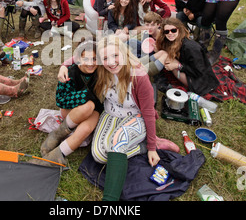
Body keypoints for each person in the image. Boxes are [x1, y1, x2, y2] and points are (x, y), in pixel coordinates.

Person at [91, 35, 179, 201]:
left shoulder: (138, 75)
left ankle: (109, 200)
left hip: (136, 117)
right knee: (99, 156)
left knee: (117, 145)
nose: (111, 62)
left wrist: (153, 148)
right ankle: (140, 146)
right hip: (111, 115)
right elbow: (80, 57)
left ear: (123, 53)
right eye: (105, 58)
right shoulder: (102, 71)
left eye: (115, 55)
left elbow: (147, 111)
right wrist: (64, 66)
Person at [33, 39, 103, 166]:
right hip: (71, 111)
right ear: (77, 59)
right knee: (88, 106)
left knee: (87, 127)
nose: (91, 63)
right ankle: (57, 134)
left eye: (94, 59)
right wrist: (86, 96)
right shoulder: (70, 72)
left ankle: (58, 154)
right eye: (85, 59)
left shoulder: (101, 72)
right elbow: (60, 100)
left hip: (93, 111)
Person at [155, 18, 219, 96]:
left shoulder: (190, 47)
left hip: (200, 80)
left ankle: (145, 71)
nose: (170, 33)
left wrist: (178, 65)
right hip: (187, 69)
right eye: (166, 31)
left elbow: (199, 71)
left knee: (169, 61)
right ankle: (144, 69)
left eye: (173, 30)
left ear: (179, 29)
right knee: (164, 54)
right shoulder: (172, 41)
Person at [128, 11, 168, 77]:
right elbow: (144, 51)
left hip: (157, 57)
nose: (149, 27)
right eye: (147, 25)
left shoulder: (163, 36)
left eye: (152, 25)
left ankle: (138, 70)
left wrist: (157, 51)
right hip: (146, 55)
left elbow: (166, 54)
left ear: (158, 25)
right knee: (132, 42)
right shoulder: (147, 33)